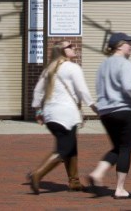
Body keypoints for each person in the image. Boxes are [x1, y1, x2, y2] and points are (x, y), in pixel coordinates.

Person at [86, 32, 131, 200]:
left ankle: (97, 173)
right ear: (119, 45)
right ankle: (120, 189)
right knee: (125, 148)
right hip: (124, 111)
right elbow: (129, 86)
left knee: (117, 147)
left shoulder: (103, 66)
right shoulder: (125, 64)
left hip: (106, 113)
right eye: (128, 43)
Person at [28, 40, 97, 194]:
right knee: (64, 149)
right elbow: (82, 90)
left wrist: (38, 111)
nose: (74, 48)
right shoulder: (73, 68)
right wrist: (93, 106)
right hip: (66, 115)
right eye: (70, 47)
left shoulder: (49, 69)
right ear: (62, 51)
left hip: (51, 115)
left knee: (70, 147)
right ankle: (37, 174)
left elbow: (38, 91)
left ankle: (74, 182)